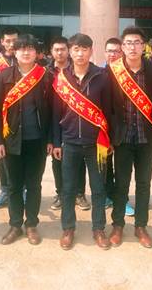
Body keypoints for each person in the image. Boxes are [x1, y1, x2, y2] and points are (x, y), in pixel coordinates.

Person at [52, 33, 113, 250]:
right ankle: (68, 229)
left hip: (96, 143)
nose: (80, 53)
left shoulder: (102, 77)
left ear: (91, 51)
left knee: (98, 189)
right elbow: (55, 113)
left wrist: (110, 140)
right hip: (69, 142)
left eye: (84, 49)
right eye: (76, 49)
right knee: (68, 189)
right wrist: (56, 142)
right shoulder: (61, 78)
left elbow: (109, 110)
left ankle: (98, 229)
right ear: (70, 51)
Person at [0, 34, 53, 246]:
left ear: (37, 53)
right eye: (21, 49)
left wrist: (51, 139)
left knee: (34, 185)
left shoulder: (45, 76)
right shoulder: (4, 76)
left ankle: (31, 224)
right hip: (11, 141)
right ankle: (15, 225)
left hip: (37, 140)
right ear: (14, 52)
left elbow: (53, 111)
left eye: (30, 48)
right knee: (14, 186)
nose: (26, 52)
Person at [107, 27, 152, 248]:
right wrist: (111, 135)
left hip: (146, 137)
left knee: (144, 183)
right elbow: (108, 106)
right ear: (122, 46)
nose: (132, 47)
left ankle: (141, 226)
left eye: (137, 42)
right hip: (123, 138)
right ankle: (118, 225)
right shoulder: (113, 70)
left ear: (143, 46)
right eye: (128, 43)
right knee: (121, 183)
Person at [47, 36, 90, 212]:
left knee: (79, 162)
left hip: (76, 122)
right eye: (56, 49)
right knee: (57, 161)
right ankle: (61, 193)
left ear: (68, 51)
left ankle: (80, 194)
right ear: (51, 52)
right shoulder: (46, 72)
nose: (60, 53)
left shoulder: (76, 71)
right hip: (53, 120)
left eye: (63, 49)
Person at [102, 36, 134, 216]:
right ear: (104, 53)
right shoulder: (99, 73)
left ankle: (123, 200)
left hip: (123, 128)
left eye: (116, 51)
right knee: (105, 165)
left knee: (122, 169)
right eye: (109, 51)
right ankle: (108, 195)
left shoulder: (127, 73)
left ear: (121, 53)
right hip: (104, 126)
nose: (112, 54)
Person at [0, 27, 19, 209]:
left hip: (21, 115)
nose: (11, 44)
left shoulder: (25, 59)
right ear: (1, 42)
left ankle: (21, 189)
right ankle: (5, 189)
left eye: (14, 40)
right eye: (7, 41)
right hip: (3, 116)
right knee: (4, 158)